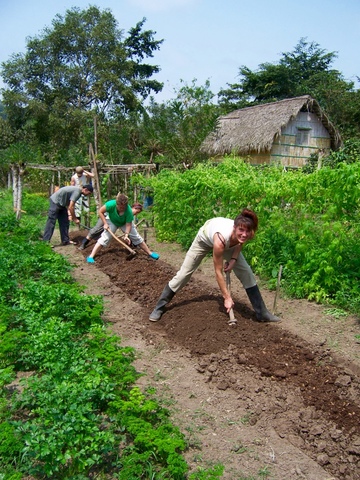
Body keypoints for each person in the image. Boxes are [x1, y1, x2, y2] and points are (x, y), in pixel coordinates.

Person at [149, 209, 280, 323]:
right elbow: (218, 272)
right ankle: (159, 307)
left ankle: (262, 313)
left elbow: (240, 242)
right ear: (235, 228)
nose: (244, 234)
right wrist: (227, 298)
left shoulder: (247, 232)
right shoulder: (221, 238)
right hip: (204, 240)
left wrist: (233, 259)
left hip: (230, 244)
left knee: (246, 272)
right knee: (184, 274)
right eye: (241, 230)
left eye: (247, 231)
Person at [86, 194, 160, 263]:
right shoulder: (110, 204)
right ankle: (91, 256)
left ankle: (150, 253)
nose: (122, 209)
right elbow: (100, 212)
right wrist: (105, 223)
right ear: (117, 204)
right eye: (120, 207)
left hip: (124, 222)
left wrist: (126, 235)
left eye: (124, 207)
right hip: (112, 221)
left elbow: (128, 225)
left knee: (136, 237)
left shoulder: (128, 211)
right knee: (105, 238)